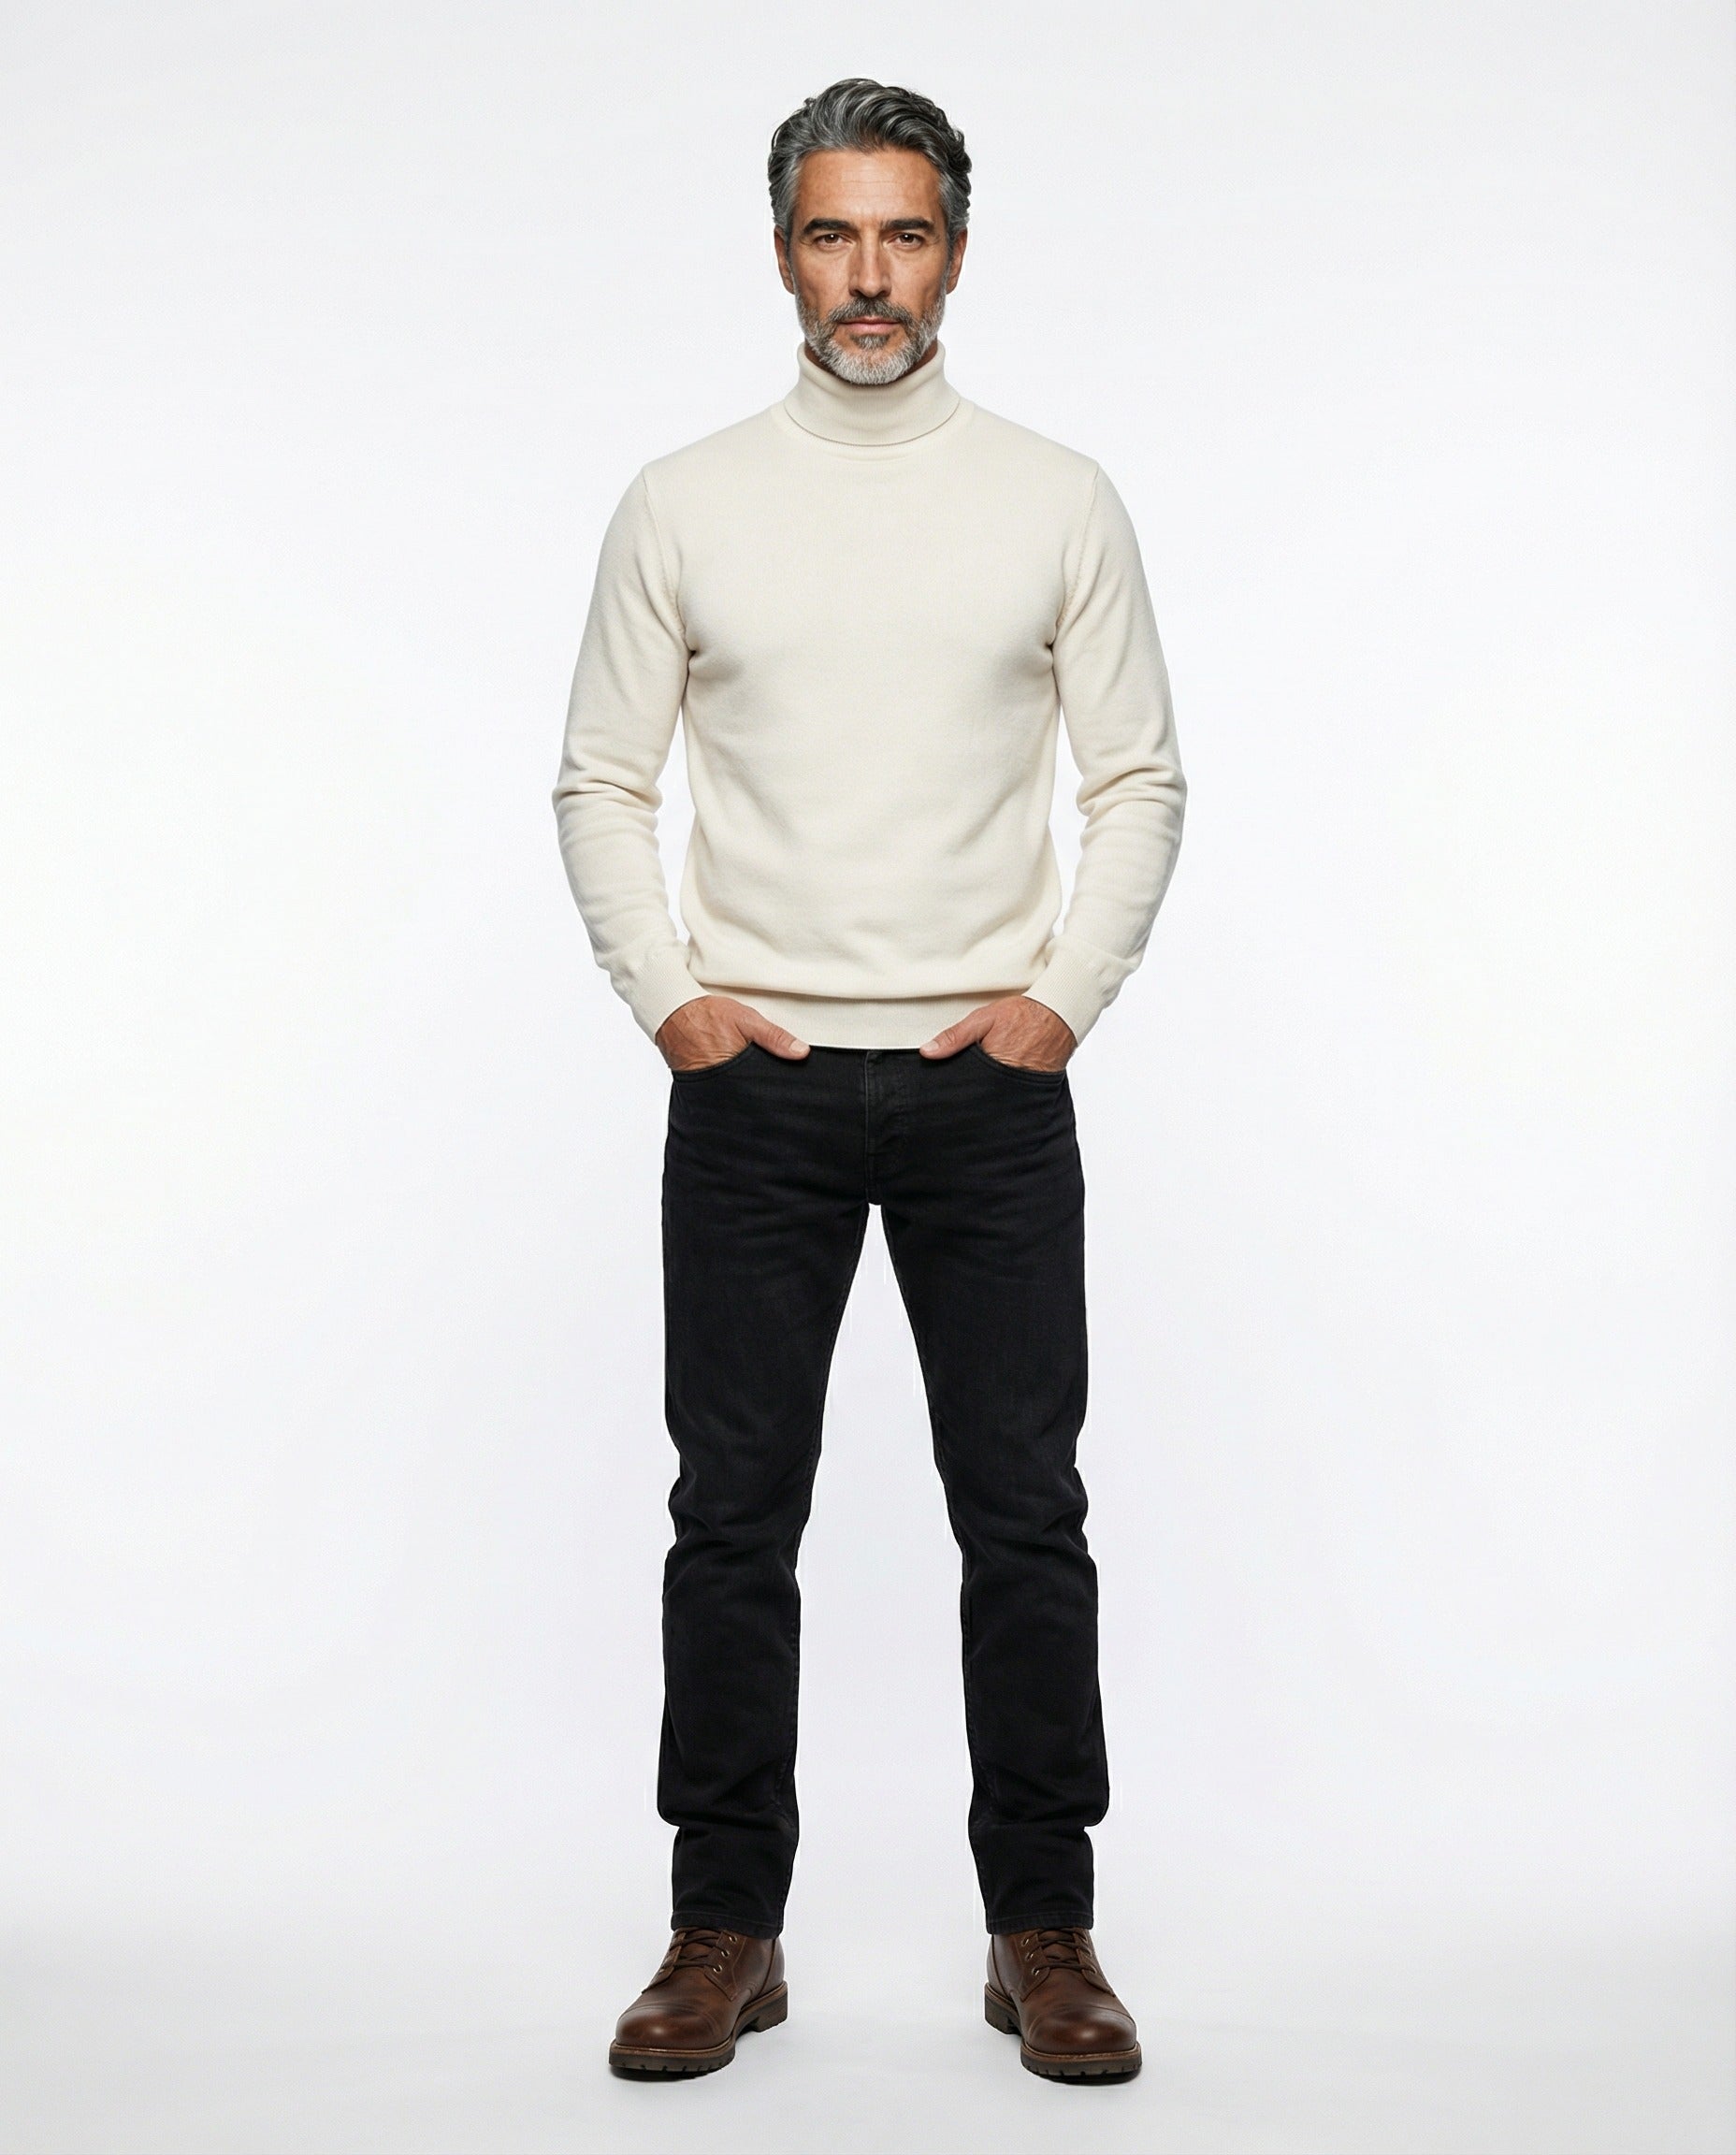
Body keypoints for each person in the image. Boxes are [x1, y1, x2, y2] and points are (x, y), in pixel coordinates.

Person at [554, 77, 1185, 2084]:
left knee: (1025, 1517)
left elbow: (1140, 778)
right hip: (752, 1088)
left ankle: (1044, 1930)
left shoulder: (1056, 497)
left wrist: (1060, 999)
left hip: (984, 1084)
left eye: (904, 234)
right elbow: (600, 779)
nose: (869, 276)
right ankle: (723, 1928)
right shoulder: (683, 501)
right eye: (833, 235)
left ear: (957, 256)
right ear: (781, 256)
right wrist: (671, 999)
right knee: (732, 1521)